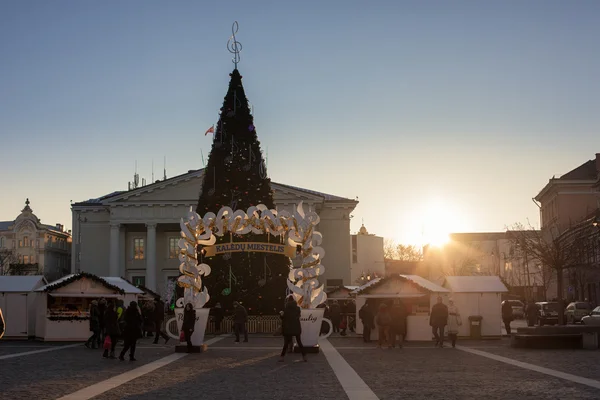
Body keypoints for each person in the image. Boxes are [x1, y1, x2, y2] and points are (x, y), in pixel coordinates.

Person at [279, 295, 307, 362]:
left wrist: (281, 315)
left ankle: (282, 357)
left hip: (288, 328)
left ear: (288, 301)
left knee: (286, 343)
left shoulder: (285, 309)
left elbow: (283, 318)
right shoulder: (298, 308)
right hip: (296, 327)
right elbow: (298, 316)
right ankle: (304, 356)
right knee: (299, 342)